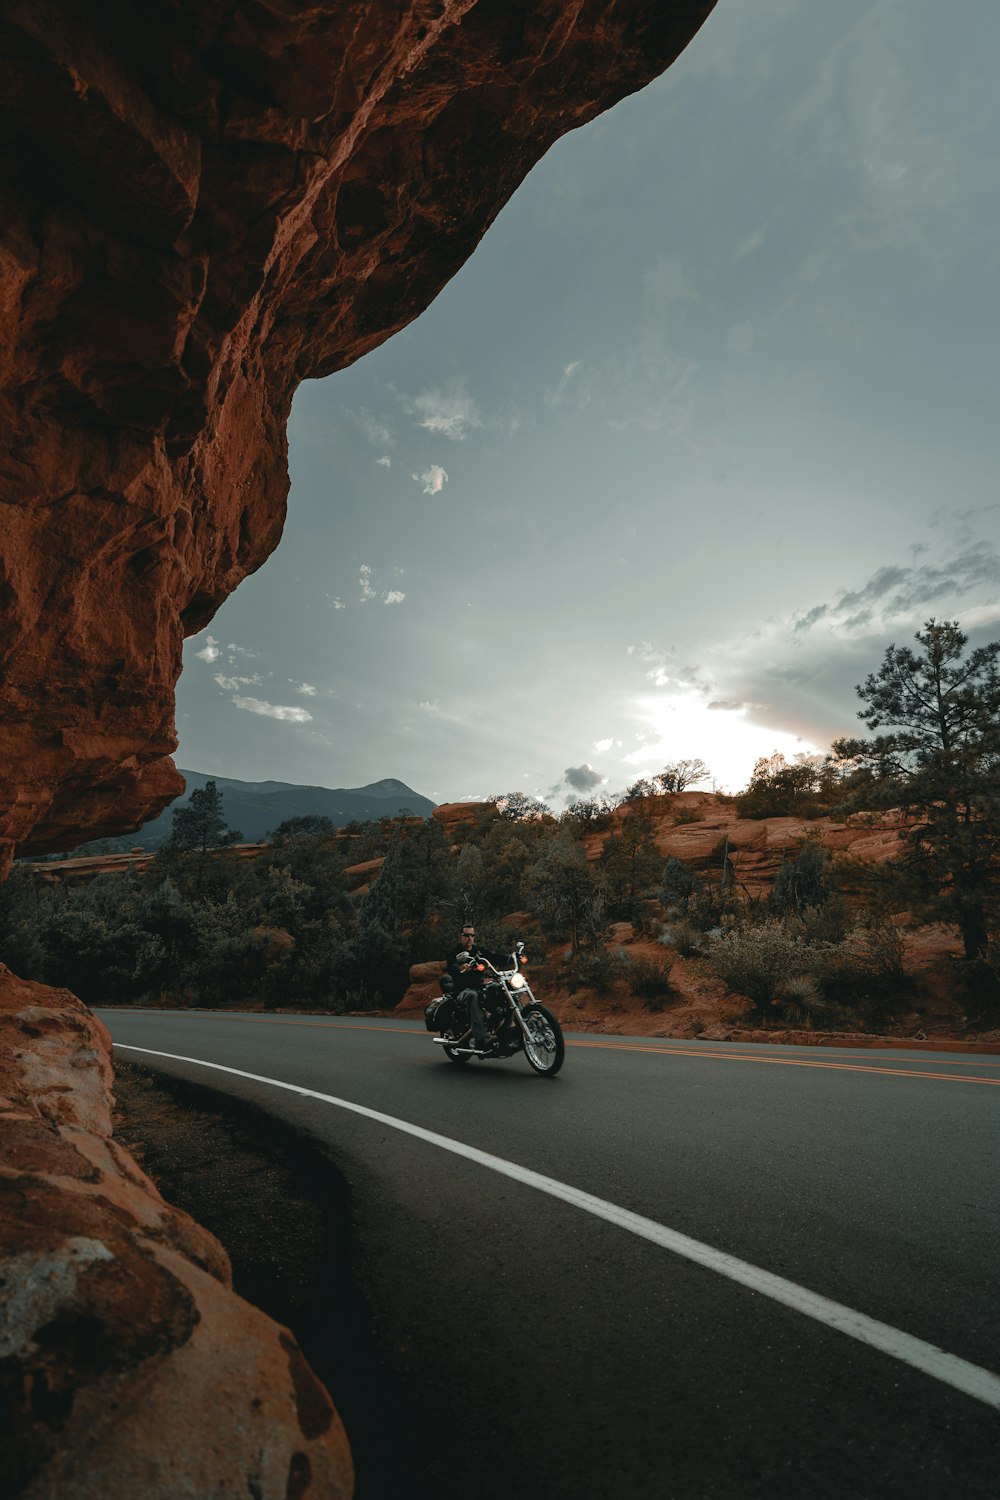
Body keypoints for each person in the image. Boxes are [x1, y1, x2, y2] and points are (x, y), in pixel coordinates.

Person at [446, 924, 503, 1051]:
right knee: (473, 996)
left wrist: (512, 958)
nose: (470, 938)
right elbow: (452, 968)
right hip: (462, 991)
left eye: (472, 935)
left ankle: (500, 1028)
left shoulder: (478, 951)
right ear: (461, 936)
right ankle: (481, 1039)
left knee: (497, 988)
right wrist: (460, 967)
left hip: (479, 987)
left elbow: (492, 957)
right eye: (466, 935)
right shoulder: (454, 953)